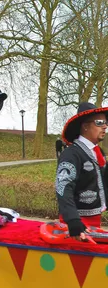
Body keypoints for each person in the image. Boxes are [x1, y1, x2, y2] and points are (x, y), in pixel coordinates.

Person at [56, 102, 108, 241]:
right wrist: (72, 220)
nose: (105, 126)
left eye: (105, 122)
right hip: (76, 225)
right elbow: (63, 187)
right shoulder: (71, 154)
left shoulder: (98, 153)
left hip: (95, 222)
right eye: (99, 122)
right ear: (85, 126)